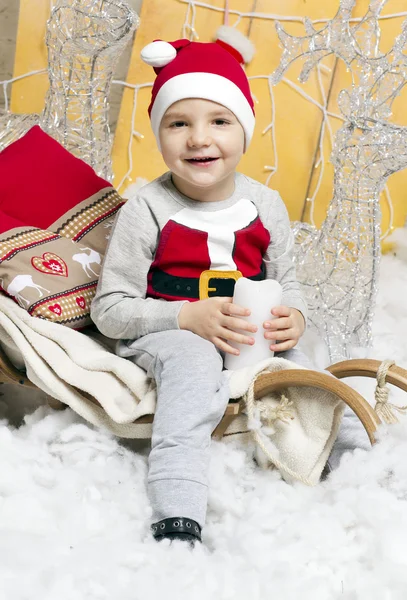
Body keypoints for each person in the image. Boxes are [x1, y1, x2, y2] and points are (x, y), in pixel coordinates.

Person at [91, 30, 312, 546]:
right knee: (192, 366)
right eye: (178, 123)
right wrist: (184, 318)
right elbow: (110, 310)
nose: (198, 138)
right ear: (158, 132)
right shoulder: (147, 208)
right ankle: (178, 504)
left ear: (245, 129)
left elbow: (291, 284)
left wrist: (293, 317)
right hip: (170, 329)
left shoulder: (266, 204)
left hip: (246, 336)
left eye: (219, 121)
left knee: (307, 366)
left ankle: (351, 464)